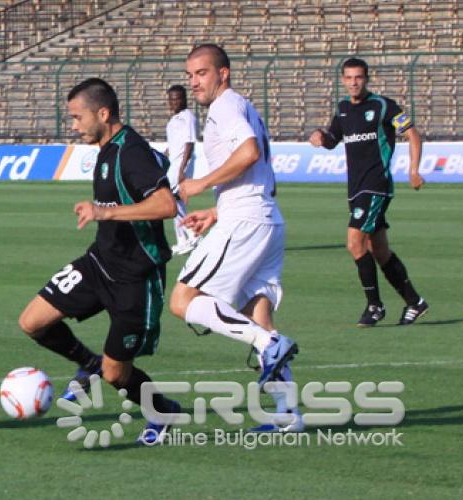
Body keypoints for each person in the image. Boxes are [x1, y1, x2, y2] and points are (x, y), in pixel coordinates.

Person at [18, 78, 182, 445]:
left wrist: (105, 213)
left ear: (103, 113)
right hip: (99, 261)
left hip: (135, 277)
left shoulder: (131, 151)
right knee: (32, 321)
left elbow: (166, 205)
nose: (74, 126)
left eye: (78, 117)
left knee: (116, 375)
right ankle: (88, 365)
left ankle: (162, 411)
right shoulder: (109, 148)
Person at [171, 44, 302, 432]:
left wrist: (201, 183)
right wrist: (216, 211)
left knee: (182, 300)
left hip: (246, 221)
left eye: (202, 73)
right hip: (263, 219)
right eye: (191, 74)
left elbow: (248, 152)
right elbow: (257, 168)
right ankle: (287, 414)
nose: (194, 81)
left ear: (223, 74)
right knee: (257, 314)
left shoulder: (225, 106)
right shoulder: (242, 105)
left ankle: (268, 347)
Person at [309, 57, 428, 327]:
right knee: (380, 250)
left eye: (358, 77)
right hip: (356, 188)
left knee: (354, 242)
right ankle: (415, 302)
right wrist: (319, 137)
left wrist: (413, 170)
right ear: (342, 80)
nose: (354, 83)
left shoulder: (383, 105)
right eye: (349, 78)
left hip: (376, 186)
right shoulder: (342, 110)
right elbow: (331, 140)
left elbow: (412, 134)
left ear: (367, 79)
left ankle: (374, 306)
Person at [164, 84, 201, 255]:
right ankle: (184, 239)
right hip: (173, 164)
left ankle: (192, 234)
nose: (174, 102)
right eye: (171, 99)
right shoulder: (173, 120)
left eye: (177, 99)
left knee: (171, 199)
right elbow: (173, 146)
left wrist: (182, 169)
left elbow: (189, 144)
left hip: (180, 166)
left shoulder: (188, 117)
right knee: (174, 201)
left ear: (184, 99)